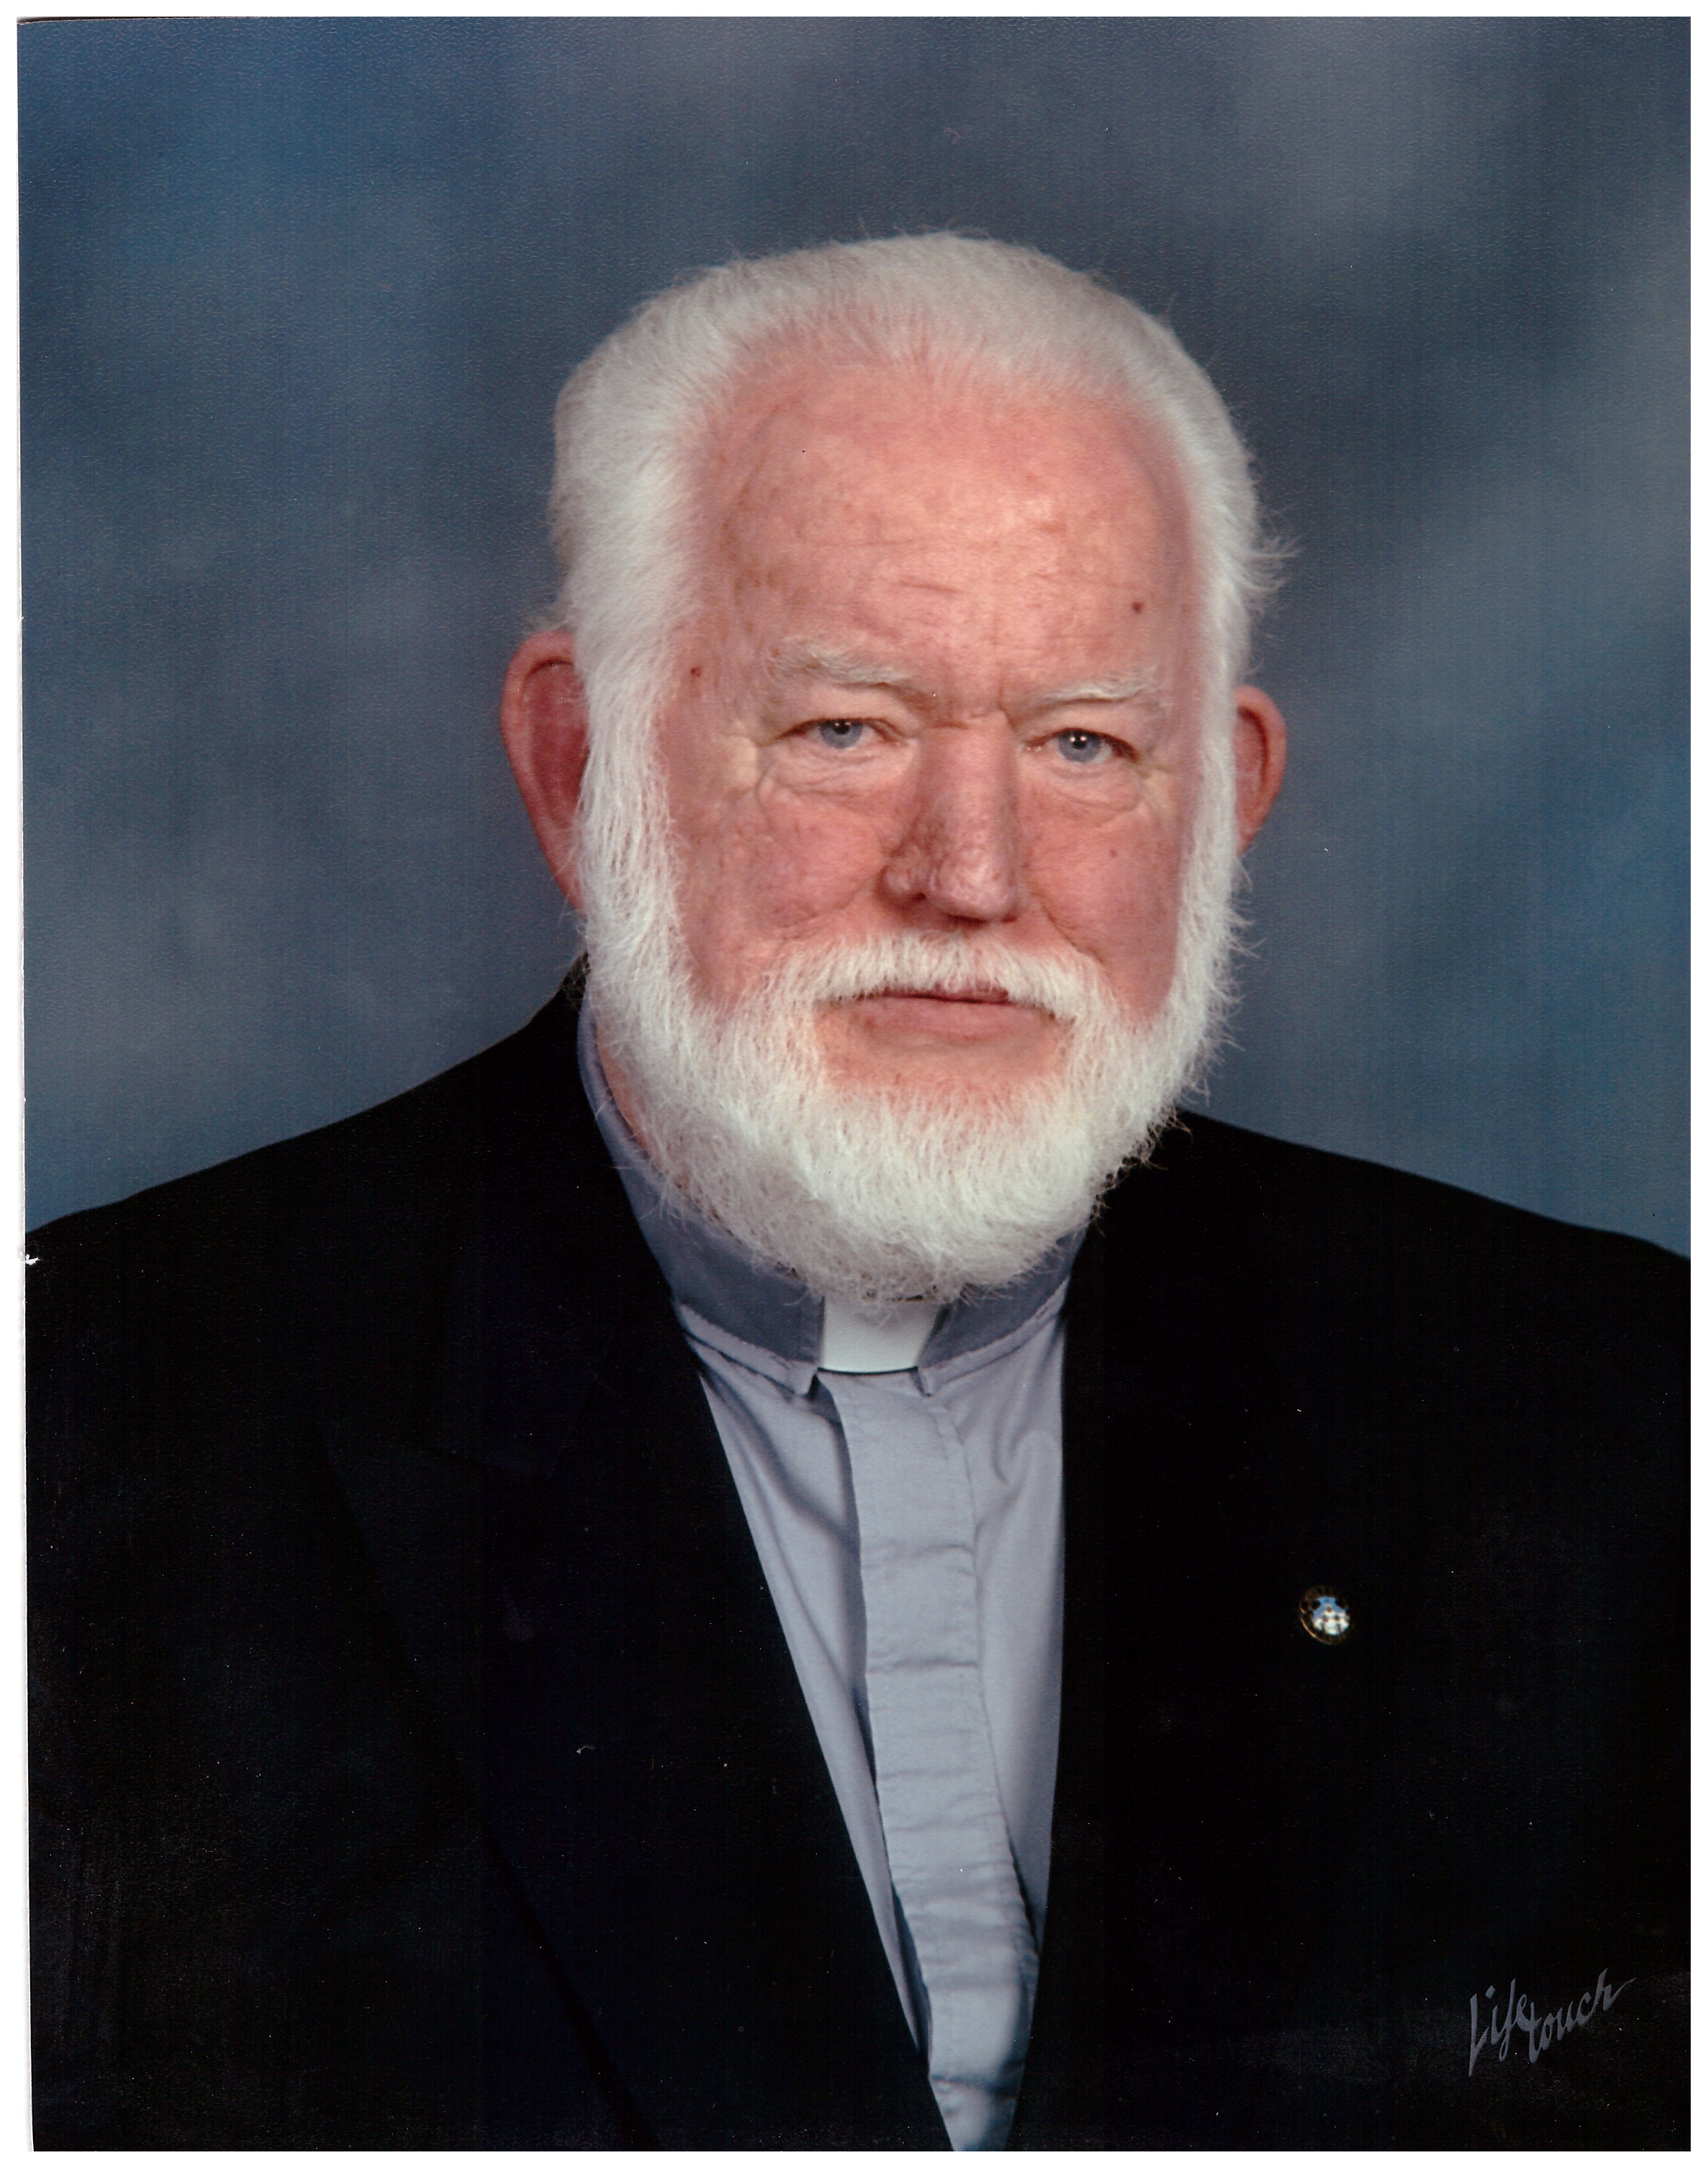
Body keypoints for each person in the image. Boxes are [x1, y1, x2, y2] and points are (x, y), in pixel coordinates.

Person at [28, 235, 1684, 2149]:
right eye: (846, 731)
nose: (970, 873)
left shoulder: (1614, 1408)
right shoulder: (85, 1433)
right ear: (577, 769)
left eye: (1083, 743)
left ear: (1225, 804)